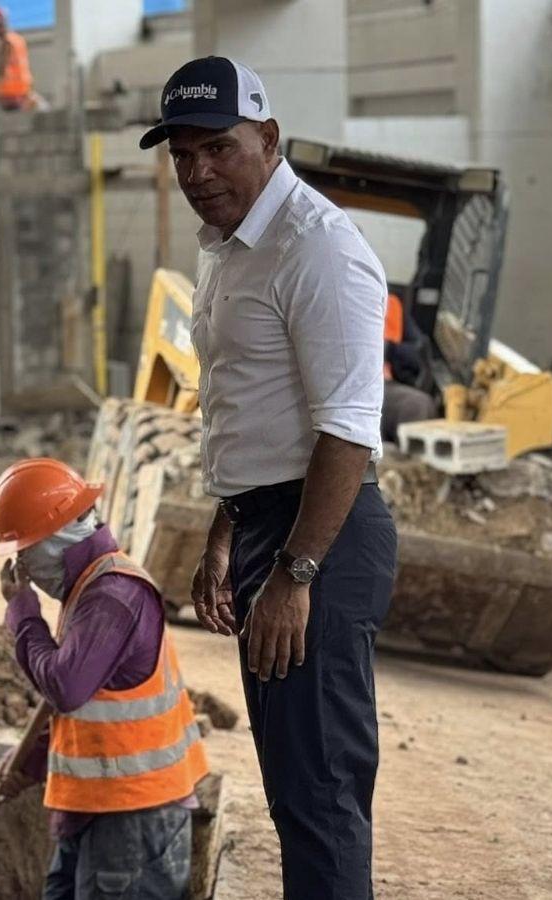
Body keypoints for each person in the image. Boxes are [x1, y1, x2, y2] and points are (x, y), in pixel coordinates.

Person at [139, 56, 399, 898]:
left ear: (270, 139)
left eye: (217, 148)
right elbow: (251, 411)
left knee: (320, 788)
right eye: (182, 155)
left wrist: (295, 573)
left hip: (319, 536)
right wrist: (227, 531)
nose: (197, 172)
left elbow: (346, 430)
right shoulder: (228, 247)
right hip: (267, 526)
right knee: (296, 784)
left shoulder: (318, 250)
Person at [0, 457, 209, 899]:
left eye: (25, 552)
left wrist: (24, 615)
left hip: (133, 818)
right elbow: (95, 710)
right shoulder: (89, 589)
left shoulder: (113, 596)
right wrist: (33, 761)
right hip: (101, 809)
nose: (24, 570)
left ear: (54, 541)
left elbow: (66, 687)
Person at [381, 291, 438, 442]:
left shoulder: (390, 304)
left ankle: (409, 464)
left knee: (418, 405)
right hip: (347, 386)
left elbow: (418, 353)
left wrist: (390, 350)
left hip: (385, 384)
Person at [0, 7, 36, 111]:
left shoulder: (6, 42)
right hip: (24, 89)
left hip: (10, 94)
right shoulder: (18, 39)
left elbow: (2, 70)